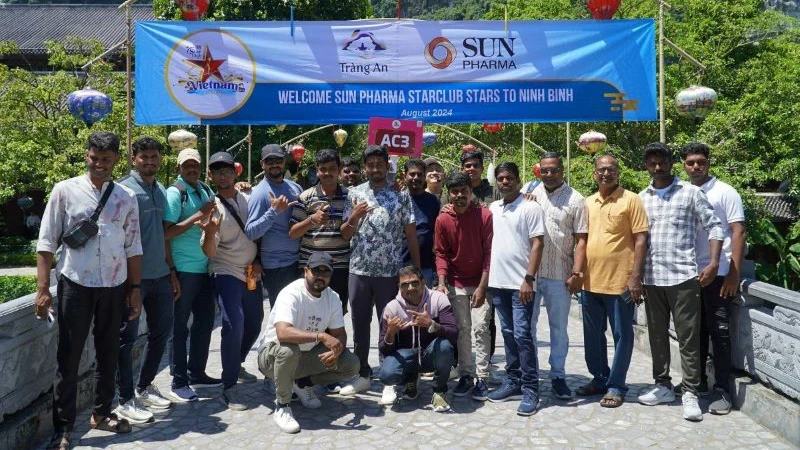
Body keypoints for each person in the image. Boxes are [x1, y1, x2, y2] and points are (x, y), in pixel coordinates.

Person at [35, 131, 142, 450]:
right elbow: (46, 242)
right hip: (75, 285)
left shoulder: (126, 197)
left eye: (106, 160)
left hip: (113, 285)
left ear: (116, 161)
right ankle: (63, 428)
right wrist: (43, 288)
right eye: (95, 158)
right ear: (87, 156)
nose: (100, 165)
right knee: (68, 357)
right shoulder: (65, 191)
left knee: (109, 352)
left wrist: (134, 288)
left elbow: (133, 245)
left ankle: (102, 413)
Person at [636, 142, 724, 422]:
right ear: (646, 166)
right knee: (657, 335)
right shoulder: (641, 198)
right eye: (652, 163)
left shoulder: (690, 193)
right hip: (652, 279)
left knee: (688, 339)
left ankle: (690, 392)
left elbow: (714, 227)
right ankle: (662, 385)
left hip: (684, 277)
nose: (658, 167)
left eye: (662, 162)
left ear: (671, 163)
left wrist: (712, 263)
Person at [338, 145, 421, 396]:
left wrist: (416, 272)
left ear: (387, 166)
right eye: (370, 164)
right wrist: (354, 217)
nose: (375, 168)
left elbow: (411, 234)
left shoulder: (401, 195)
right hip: (359, 271)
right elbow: (344, 235)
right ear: (365, 167)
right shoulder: (354, 193)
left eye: (379, 164)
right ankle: (362, 373)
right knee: (359, 324)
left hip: (390, 273)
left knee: (391, 324)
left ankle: (390, 376)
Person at [114, 137, 180, 424]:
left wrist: (171, 270)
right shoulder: (123, 189)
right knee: (126, 339)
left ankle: (144, 386)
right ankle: (125, 398)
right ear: (133, 159)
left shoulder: (160, 189)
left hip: (160, 276)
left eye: (154, 157)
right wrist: (131, 284)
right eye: (145, 157)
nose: (150, 162)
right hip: (132, 281)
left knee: (161, 333)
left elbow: (162, 235)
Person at [256, 252, 360, 434]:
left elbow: (339, 334)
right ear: (306, 271)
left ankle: (302, 383)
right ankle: (282, 406)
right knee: (288, 350)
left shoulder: (333, 297)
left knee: (351, 364)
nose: (320, 277)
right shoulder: (291, 293)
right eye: (315, 271)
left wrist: (336, 349)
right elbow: (283, 333)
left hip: (304, 355)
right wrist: (320, 336)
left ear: (331, 275)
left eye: (325, 273)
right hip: (271, 357)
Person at [576, 155, 648, 408]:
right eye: (601, 170)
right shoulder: (588, 203)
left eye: (611, 169)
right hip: (590, 282)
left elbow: (641, 240)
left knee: (622, 335)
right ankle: (599, 378)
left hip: (620, 283)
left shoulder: (631, 200)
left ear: (618, 172)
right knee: (592, 336)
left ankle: (617, 385)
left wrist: (636, 277)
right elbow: (581, 240)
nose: (606, 174)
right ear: (594, 174)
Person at [681, 142, 746, 415]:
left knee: (719, 333)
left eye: (701, 162)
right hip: (688, 273)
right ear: (683, 165)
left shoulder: (725, 192)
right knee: (694, 333)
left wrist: (733, 273)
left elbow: (739, 231)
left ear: (709, 162)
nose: (696, 167)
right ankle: (695, 385)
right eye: (690, 162)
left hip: (719, 274)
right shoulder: (682, 192)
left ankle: (722, 389)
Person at [198, 152, 264, 411]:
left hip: (250, 270)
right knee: (232, 323)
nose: (223, 175)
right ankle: (229, 385)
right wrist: (211, 232)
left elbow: (260, 229)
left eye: (227, 170)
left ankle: (235, 364)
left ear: (236, 173)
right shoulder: (210, 208)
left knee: (255, 322)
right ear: (211, 176)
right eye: (217, 171)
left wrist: (258, 258)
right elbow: (210, 252)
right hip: (225, 269)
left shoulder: (249, 198)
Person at [485, 162, 546, 416]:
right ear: (496, 182)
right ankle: (513, 380)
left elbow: (537, 244)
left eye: (510, 177)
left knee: (522, 335)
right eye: (501, 178)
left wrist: (528, 279)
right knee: (508, 334)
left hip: (522, 285)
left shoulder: (531, 207)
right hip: (498, 284)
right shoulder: (493, 208)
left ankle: (531, 388)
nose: (505, 182)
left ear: (519, 180)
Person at [528, 152, 588, 401]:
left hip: (559, 274)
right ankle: (529, 374)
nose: (549, 174)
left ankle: (558, 375)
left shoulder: (576, 200)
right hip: (530, 276)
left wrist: (577, 273)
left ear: (562, 170)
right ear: (539, 171)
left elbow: (582, 239)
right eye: (545, 170)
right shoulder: (530, 193)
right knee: (526, 328)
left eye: (553, 170)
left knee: (558, 329)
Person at [164, 148, 221, 402]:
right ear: (179, 168)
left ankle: (196, 372)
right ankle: (179, 381)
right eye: (187, 165)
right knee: (179, 327)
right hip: (183, 270)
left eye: (195, 165)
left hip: (204, 268)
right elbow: (166, 233)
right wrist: (199, 215)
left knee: (205, 323)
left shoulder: (205, 190)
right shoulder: (175, 193)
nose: (191, 169)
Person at [434, 171, 493, 401]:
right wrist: (441, 282)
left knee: (481, 328)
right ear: (449, 194)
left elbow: (489, 253)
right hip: (455, 283)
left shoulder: (485, 216)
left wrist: (482, 286)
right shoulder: (443, 219)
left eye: (464, 191)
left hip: (481, 282)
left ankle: (483, 377)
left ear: (471, 192)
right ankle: (466, 374)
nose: (460, 195)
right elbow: (441, 253)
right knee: (463, 330)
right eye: (455, 191)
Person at [377, 266, 458, 411]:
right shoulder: (392, 308)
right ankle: (410, 379)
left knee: (445, 346)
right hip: (408, 356)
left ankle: (439, 391)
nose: (410, 288)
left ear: (423, 282)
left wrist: (432, 324)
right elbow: (384, 348)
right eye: (404, 285)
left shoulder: (438, 299)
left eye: (414, 283)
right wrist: (390, 333)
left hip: (430, 354)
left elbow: (453, 333)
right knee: (386, 374)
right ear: (399, 287)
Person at [289, 149, 351, 313]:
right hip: (311, 268)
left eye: (332, 168)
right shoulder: (305, 197)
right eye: (323, 169)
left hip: (339, 268)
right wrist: (311, 220)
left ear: (339, 170)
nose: (327, 173)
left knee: (336, 315)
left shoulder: (350, 196)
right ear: (317, 170)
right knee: (308, 315)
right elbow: (293, 233)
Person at [245, 144, 303, 306]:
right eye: (269, 161)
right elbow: (250, 232)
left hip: (298, 262)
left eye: (278, 160)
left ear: (284, 162)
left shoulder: (295, 187)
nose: (274, 164)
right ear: (262, 164)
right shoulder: (260, 193)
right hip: (276, 267)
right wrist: (273, 211)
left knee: (298, 314)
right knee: (282, 317)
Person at [403, 159, 441, 287]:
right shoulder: (398, 199)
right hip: (400, 263)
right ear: (405, 176)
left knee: (423, 304)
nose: (416, 178)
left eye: (419, 174)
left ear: (424, 177)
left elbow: (438, 232)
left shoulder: (433, 201)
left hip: (426, 265)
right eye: (412, 174)